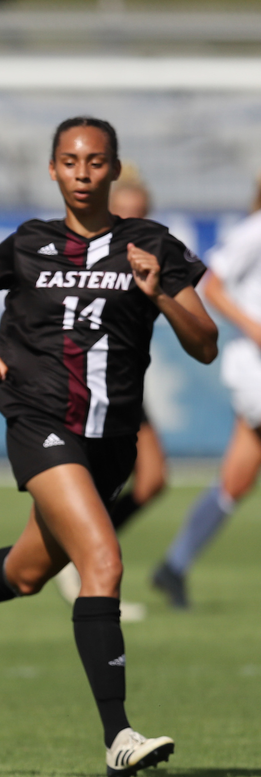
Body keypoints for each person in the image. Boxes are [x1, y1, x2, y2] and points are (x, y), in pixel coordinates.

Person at [0, 117, 217, 777]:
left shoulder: (151, 245)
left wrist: (160, 294)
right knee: (102, 562)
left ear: (113, 169)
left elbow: (206, 341)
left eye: (95, 162)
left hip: (111, 440)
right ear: (52, 170)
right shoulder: (29, 244)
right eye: (69, 161)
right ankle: (118, 735)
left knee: (24, 574)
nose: (81, 173)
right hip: (38, 419)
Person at [54, 164, 167, 620]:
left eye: (143, 215)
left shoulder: (150, 259)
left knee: (153, 479)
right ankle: (87, 568)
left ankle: (79, 559)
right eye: (127, 214)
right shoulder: (84, 258)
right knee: (88, 486)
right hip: (87, 381)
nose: (135, 224)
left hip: (124, 380)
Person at [151, 175, 261, 608]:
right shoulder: (256, 229)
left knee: (236, 480)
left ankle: (174, 566)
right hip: (256, 370)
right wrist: (254, 327)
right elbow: (214, 284)